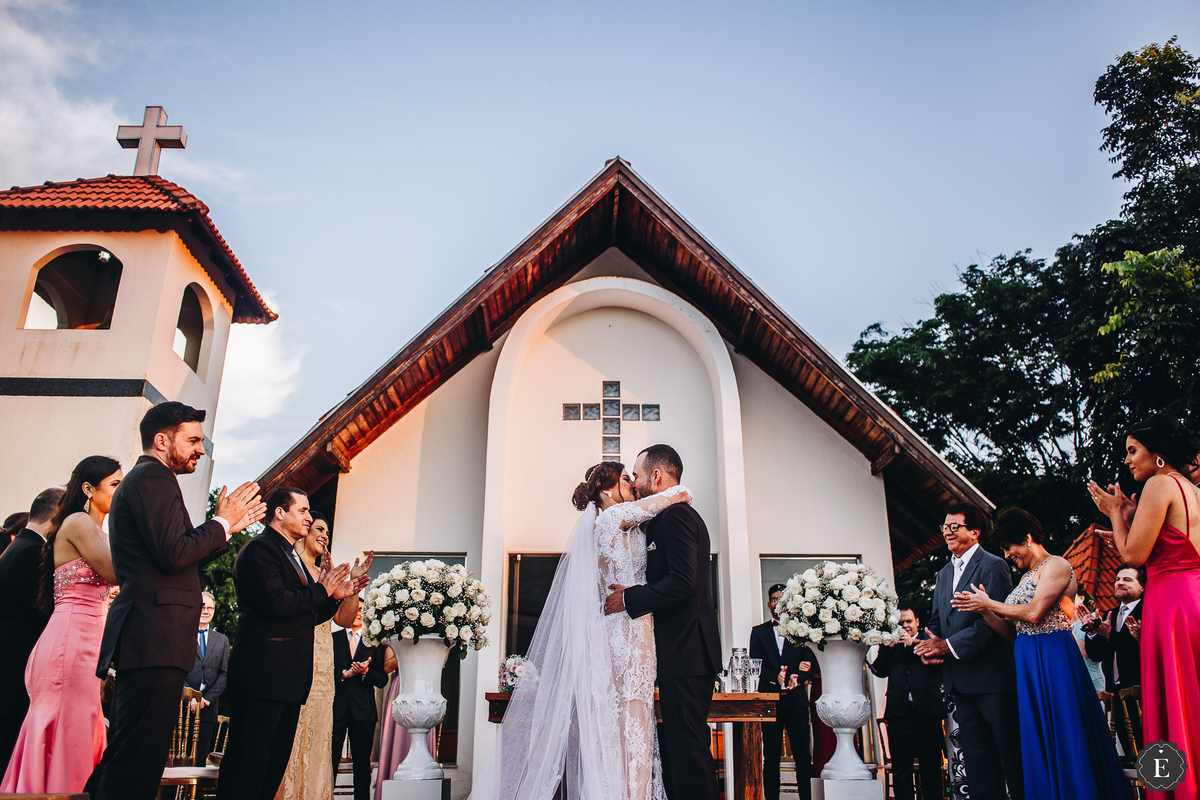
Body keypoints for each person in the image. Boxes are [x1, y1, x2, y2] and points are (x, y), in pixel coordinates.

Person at [469, 456, 694, 800]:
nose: (633, 484)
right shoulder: (612, 518)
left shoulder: (619, 524)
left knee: (628, 725)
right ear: (606, 489)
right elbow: (670, 497)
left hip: (629, 629)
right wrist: (680, 492)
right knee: (629, 724)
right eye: (625, 479)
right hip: (626, 634)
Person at [85, 402, 264, 800]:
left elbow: (179, 556)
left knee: (131, 755)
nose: (202, 449)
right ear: (163, 440)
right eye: (194, 439)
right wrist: (221, 523)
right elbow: (175, 552)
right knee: (137, 762)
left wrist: (224, 527)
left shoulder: (151, 481)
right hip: (154, 635)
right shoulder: (153, 480)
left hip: (152, 636)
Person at [953, 508, 1127, 800]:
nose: (1008, 555)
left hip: (1053, 657)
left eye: (1010, 548)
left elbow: (1034, 613)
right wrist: (985, 610)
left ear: (1028, 538)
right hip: (1027, 659)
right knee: (1039, 737)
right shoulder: (1025, 577)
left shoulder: (1057, 565)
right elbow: (1011, 632)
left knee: (1064, 731)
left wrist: (990, 602)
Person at [217, 487, 369, 800]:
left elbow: (305, 613)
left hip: (286, 682)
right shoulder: (260, 550)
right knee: (248, 772)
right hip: (262, 678)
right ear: (279, 513)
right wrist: (323, 591)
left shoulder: (289, 555)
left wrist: (334, 596)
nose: (309, 516)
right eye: (302, 510)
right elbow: (275, 603)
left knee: (270, 772)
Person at [1089, 415, 1200, 800]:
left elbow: (1133, 554)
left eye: (1133, 451)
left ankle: (1175, 791)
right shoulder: (1191, 488)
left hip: (1168, 603)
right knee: (1193, 697)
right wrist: (1132, 519)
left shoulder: (1159, 483)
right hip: (1194, 597)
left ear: (1158, 455)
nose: (1127, 460)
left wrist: (1116, 515)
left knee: (1169, 700)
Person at [607, 444, 723, 800]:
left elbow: (684, 582)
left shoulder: (676, 518)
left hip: (687, 652)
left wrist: (629, 598)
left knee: (689, 754)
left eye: (638, 476)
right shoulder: (663, 519)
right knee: (680, 751)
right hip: (681, 655)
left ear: (656, 476)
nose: (635, 483)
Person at [2, 457, 122, 793]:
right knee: (71, 727)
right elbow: (116, 572)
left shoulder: (95, 530)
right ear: (88, 488)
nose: (122, 491)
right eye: (115, 484)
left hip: (88, 639)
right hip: (71, 641)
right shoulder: (79, 523)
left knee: (81, 726)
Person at [913, 503, 1022, 800]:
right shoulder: (944, 573)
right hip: (959, 681)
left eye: (954, 527)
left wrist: (946, 646)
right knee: (977, 761)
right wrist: (927, 644)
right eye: (944, 527)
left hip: (992, 680)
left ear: (974, 532)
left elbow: (994, 624)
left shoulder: (993, 565)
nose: (947, 532)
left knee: (1010, 755)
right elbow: (937, 620)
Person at [274, 510, 362, 800]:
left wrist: (353, 586)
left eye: (327, 532)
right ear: (305, 533)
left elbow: (345, 620)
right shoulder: (293, 568)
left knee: (320, 731)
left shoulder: (328, 576)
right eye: (319, 529)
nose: (324, 535)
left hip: (324, 664)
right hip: (298, 654)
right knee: (293, 728)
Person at [0, 487, 62, 774]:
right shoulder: (30, 553)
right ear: (56, 517)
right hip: (14, 673)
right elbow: (43, 614)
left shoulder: (18, 547)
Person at [868, 607, 945, 800]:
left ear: (917, 622)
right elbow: (879, 670)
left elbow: (939, 665)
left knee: (931, 767)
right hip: (899, 714)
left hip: (927, 712)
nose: (905, 626)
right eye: (901, 623)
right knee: (902, 770)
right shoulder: (890, 644)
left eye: (908, 621)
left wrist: (912, 644)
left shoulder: (929, 640)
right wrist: (889, 649)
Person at [751, 583, 817, 800]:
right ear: (769, 604)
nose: (778, 603)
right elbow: (755, 664)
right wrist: (774, 677)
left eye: (782, 599)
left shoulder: (801, 631)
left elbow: (810, 660)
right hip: (770, 702)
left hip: (796, 702)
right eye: (774, 599)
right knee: (770, 758)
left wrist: (800, 675)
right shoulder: (758, 632)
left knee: (802, 757)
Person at [332, 604, 387, 800]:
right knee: (329, 762)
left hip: (364, 711)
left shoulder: (374, 642)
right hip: (335, 710)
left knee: (362, 765)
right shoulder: (333, 639)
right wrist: (343, 674)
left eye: (361, 609)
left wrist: (366, 673)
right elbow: (321, 673)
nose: (357, 612)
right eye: (353, 607)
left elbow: (382, 680)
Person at [1079, 566, 1144, 696]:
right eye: (1117, 579)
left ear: (1142, 587)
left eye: (1127, 580)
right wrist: (1092, 631)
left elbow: (1138, 651)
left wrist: (1110, 634)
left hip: (1140, 690)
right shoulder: (1111, 614)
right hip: (1114, 692)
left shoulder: (1147, 612)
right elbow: (1097, 656)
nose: (1120, 583)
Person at [185, 591, 229, 765]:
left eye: (210, 608)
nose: (206, 611)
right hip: (183, 706)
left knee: (199, 761)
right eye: (203, 607)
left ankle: (195, 793)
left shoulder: (222, 641)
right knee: (177, 761)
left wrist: (206, 699)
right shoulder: (183, 635)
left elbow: (225, 674)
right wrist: (191, 697)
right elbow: (178, 669)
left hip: (208, 709)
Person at [1068, 587, 1107, 694]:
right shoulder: (1069, 625)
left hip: (1093, 683)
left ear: (1081, 597)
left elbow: (1088, 654)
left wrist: (1066, 631)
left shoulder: (1092, 620)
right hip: (1075, 684)